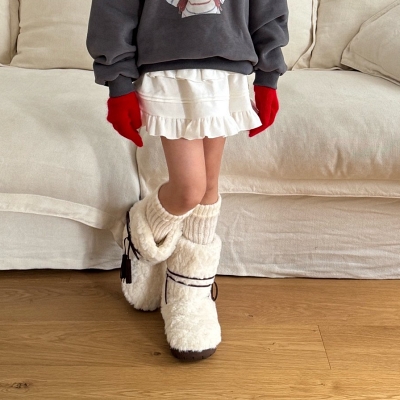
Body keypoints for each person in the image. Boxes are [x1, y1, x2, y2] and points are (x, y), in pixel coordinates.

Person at [87, 0, 289, 361]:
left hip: (228, 67)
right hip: (168, 69)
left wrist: (268, 74)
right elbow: (114, 7)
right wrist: (117, 81)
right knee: (190, 189)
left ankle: (190, 294)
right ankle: (140, 228)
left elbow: (268, 4)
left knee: (208, 188)